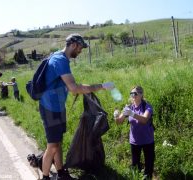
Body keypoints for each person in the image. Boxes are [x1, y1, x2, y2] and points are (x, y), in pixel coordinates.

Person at [39, 33, 114, 180]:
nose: (81, 51)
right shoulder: (60, 60)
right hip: (49, 108)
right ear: (74, 45)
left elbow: (72, 87)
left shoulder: (62, 58)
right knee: (53, 145)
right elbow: (74, 89)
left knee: (58, 142)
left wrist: (93, 87)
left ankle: (61, 173)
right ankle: (45, 177)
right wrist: (101, 86)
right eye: (80, 48)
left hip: (58, 107)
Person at [114, 86, 155, 180]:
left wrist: (132, 114)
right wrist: (116, 116)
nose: (133, 95)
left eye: (135, 93)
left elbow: (144, 120)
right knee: (135, 166)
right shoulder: (129, 107)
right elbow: (119, 122)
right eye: (131, 93)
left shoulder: (147, 106)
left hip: (148, 141)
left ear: (141, 94)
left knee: (149, 166)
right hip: (134, 142)